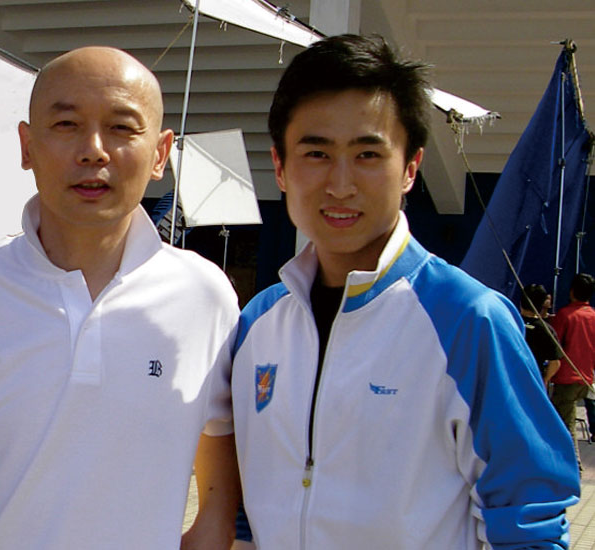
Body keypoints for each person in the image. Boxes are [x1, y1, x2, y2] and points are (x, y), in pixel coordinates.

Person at [0, 47, 239, 549]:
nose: (93, 151)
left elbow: (220, 461)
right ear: (27, 146)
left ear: (160, 154)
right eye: (67, 124)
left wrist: (211, 532)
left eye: (121, 127)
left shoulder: (205, 297)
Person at [230, 34, 579, 549]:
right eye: (317, 153)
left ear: (411, 168)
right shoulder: (258, 323)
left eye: (368, 154)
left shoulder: (469, 321)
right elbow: (246, 506)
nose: (341, 184)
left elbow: (529, 521)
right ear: (280, 167)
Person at [550, 273, 595, 459]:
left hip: (566, 379)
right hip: (586, 378)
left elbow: (554, 347)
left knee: (566, 426)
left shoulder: (565, 315)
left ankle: (575, 465)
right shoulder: (593, 316)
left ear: (572, 291)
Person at [520, 283, 562, 385]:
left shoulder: (510, 322)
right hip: (534, 380)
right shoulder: (546, 330)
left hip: (508, 377)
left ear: (521, 301)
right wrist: (545, 379)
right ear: (542, 304)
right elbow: (555, 363)